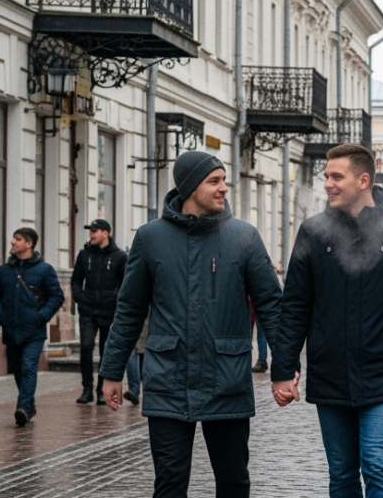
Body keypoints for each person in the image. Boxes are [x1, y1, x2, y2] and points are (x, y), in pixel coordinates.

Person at [98, 150, 282, 498]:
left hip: (227, 380)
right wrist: (111, 372)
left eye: (224, 180)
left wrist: (284, 368)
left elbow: (272, 306)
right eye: (214, 181)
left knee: (234, 483)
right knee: (169, 485)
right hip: (169, 379)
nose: (223, 188)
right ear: (189, 187)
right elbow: (129, 310)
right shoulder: (151, 237)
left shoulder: (244, 237)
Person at [271, 143, 383, 498]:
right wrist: (282, 369)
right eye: (326, 177)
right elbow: (295, 307)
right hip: (329, 372)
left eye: (337, 177)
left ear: (363, 179)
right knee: (342, 475)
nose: (328, 184)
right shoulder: (313, 231)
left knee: (377, 465)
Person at [0, 227, 64, 427]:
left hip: (34, 330)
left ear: (29, 243)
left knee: (28, 367)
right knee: (17, 370)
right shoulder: (4, 271)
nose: (12, 242)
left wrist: (41, 316)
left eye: (17, 239)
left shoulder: (44, 269)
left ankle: (22, 406)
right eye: (13, 239)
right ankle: (29, 406)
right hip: (11, 329)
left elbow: (57, 296)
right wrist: (0, 315)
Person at [71, 218, 128, 406]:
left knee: (106, 350)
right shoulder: (84, 255)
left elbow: (125, 282)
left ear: (105, 233)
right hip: (88, 309)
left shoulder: (119, 256)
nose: (91, 235)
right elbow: (76, 279)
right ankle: (87, 389)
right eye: (90, 231)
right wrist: (80, 297)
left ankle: (101, 391)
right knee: (86, 346)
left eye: (94, 231)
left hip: (109, 310)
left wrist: (116, 299)